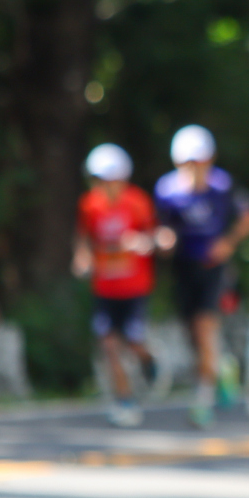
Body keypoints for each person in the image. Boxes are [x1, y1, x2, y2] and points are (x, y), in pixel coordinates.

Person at [154, 125, 249, 428]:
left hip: (211, 268)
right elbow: (165, 227)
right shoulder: (167, 191)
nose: (195, 169)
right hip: (183, 268)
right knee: (193, 335)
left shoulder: (223, 187)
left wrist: (227, 243)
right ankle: (222, 367)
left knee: (204, 328)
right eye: (188, 162)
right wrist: (165, 241)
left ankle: (202, 398)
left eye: (200, 162)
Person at [73, 143, 159, 428]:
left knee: (132, 340)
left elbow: (152, 236)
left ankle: (148, 360)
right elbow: (84, 239)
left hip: (134, 287)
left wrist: (141, 243)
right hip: (105, 288)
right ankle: (125, 400)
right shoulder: (89, 204)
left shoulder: (138, 202)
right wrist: (83, 259)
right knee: (109, 344)